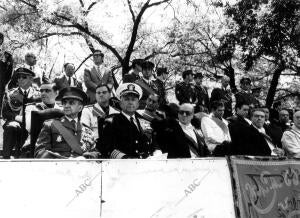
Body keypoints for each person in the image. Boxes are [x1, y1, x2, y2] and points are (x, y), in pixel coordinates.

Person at [98, 83, 160, 158]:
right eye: (126, 99)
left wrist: (157, 153)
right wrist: (125, 158)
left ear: (138, 104)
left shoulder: (145, 121)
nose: (130, 102)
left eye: (133, 99)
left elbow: (154, 145)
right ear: (120, 103)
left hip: (146, 164)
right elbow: (107, 147)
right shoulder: (112, 122)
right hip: (124, 165)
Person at [35, 87, 98, 159]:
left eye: (71, 103)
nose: (66, 105)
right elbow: (40, 154)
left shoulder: (88, 130)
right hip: (58, 168)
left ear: (80, 108)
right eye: (64, 102)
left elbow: (96, 156)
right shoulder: (50, 125)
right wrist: (68, 160)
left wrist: (89, 156)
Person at [1, 68, 40, 158]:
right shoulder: (10, 94)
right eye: (18, 77)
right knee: (12, 126)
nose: (20, 79)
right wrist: (16, 117)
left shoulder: (38, 94)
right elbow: (5, 113)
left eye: (24, 77)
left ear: (31, 79)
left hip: (33, 124)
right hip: (16, 122)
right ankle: (6, 157)